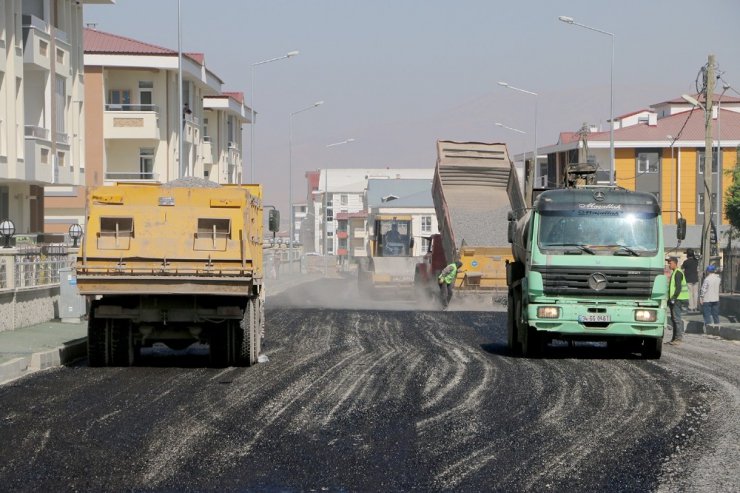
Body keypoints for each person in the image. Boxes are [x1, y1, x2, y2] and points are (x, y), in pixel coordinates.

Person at [666, 256, 689, 345]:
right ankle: (674, 339)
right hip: (675, 299)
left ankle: (678, 339)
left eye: (670, 263)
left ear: (675, 263)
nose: (669, 264)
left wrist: (674, 298)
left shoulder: (678, 273)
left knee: (676, 319)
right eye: (668, 263)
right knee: (674, 319)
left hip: (678, 299)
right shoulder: (675, 272)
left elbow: (678, 288)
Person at [699, 264, 721, 330]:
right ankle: (717, 327)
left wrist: (701, 297)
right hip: (716, 299)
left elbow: (703, 289)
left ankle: (708, 328)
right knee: (715, 314)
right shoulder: (718, 279)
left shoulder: (707, 279)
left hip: (707, 299)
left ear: (708, 271)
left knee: (707, 314)